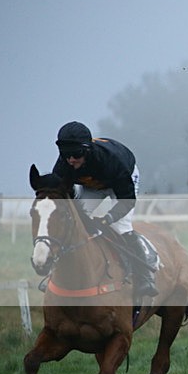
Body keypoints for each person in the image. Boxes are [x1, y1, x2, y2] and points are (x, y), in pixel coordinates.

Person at [52, 121, 158, 298]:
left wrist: (108, 217)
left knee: (121, 227)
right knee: (77, 223)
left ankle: (145, 276)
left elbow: (127, 200)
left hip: (122, 181)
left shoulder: (113, 162)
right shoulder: (64, 164)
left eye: (76, 155)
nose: (71, 160)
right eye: (66, 155)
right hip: (93, 185)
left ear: (86, 150)